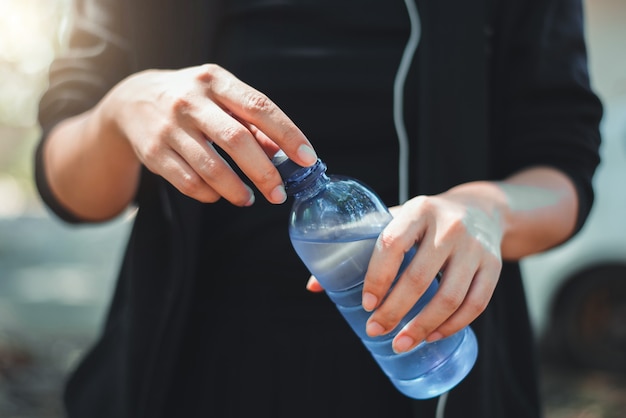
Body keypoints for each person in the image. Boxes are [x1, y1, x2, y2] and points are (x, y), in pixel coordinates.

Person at [35, 0, 602, 417]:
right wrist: (118, 110)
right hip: (192, 364)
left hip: (429, 355)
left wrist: (486, 212)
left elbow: (562, 166)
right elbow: (67, 185)